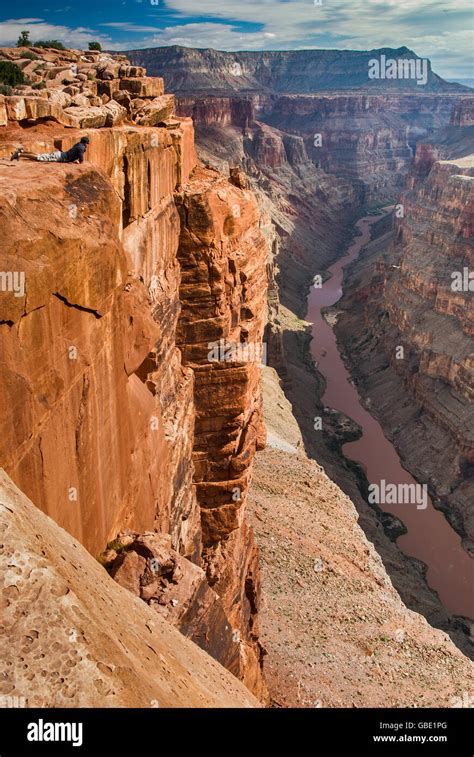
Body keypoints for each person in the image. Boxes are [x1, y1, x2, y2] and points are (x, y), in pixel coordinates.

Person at [11, 136, 90, 163]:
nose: (87, 145)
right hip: (59, 157)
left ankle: (21, 151)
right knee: (38, 157)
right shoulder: (81, 148)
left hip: (59, 155)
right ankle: (19, 154)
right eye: (87, 144)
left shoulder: (78, 145)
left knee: (39, 155)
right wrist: (79, 162)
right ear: (85, 143)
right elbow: (81, 159)